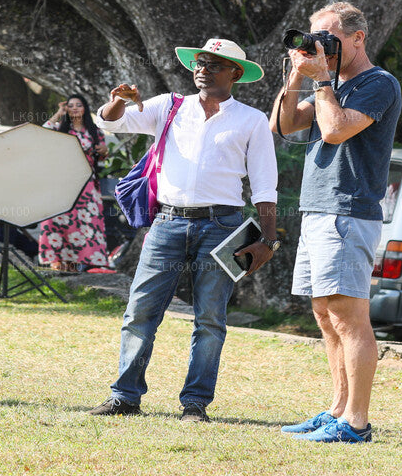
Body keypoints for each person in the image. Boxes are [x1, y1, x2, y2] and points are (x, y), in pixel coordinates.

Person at [89, 37, 279, 423]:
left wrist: (268, 239)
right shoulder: (169, 106)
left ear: (235, 74)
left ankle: (194, 404)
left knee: (210, 318)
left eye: (213, 64)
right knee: (140, 311)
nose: (202, 68)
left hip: (223, 226)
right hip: (168, 222)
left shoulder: (251, 119)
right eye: (199, 62)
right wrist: (119, 100)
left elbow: (264, 185)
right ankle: (125, 396)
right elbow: (110, 122)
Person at [272, 2, 401, 444]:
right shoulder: (331, 83)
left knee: (349, 317)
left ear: (357, 38)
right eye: (314, 39)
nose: (319, 47)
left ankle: (357, 424)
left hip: (348, 211)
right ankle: (337, 409)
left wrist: (322, 79)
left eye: (328, 39)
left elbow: (335, 130)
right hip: (318, 209)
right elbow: (284, 125)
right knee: (325, 315)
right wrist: (296, 75)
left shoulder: (377, 83)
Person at [38, 94, 110, 272]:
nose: (75, 108)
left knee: (84, 223)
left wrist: (105, 151)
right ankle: (57, 262)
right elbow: (42, 132)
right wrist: (58, 113)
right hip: (62, 183)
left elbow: (102, 155)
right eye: (70, 105)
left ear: (85, 108)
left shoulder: (94, 132)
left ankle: (74, 265)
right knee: (58, 220)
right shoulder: (62, 130)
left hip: (87, 185)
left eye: (79, 105)